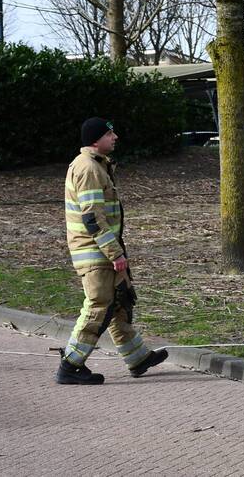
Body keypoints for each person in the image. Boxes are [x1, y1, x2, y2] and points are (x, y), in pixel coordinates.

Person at [56, 117, 168, 384]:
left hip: (100, 250)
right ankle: (70, 365)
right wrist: (115, 254)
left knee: (118, 304)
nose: (115, 137)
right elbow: (93, 218)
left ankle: (137, 358)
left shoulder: (95, 165)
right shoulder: (88, 169)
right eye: (109, 134)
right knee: (98, 306)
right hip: (95, 253)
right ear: (96, 140)